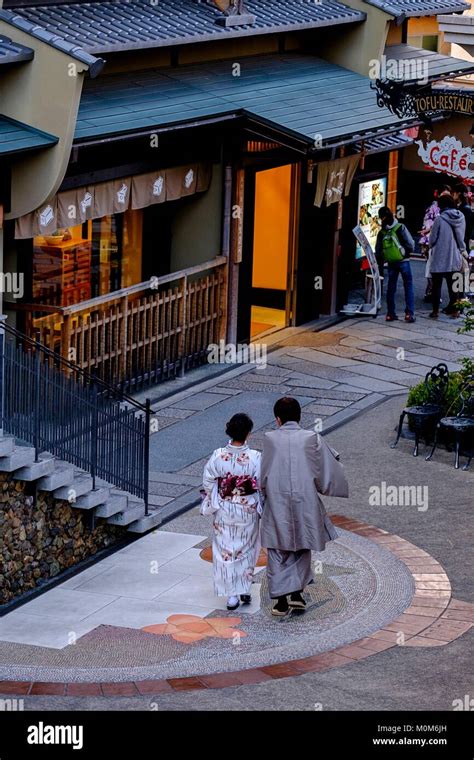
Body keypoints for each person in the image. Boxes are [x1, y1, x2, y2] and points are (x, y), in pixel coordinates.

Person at [260, 397, 349, 617]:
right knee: (301, 545)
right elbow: (327, 467)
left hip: (278, 499)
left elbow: (263, 473)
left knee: (277, 548)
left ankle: (281, 600)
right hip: (304, 499)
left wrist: (262, 494)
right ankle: (297, 595)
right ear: (299, 417)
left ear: (277, 419)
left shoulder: (270, 439)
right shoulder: (311, 438)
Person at [201, 413, 262, 611]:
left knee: (225, 551)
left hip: (225, 508)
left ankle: (232, 595)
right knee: (246, 548)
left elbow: (208, 480)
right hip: (247, 509)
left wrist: (216, 496)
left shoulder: (219, 455)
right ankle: (244, 587)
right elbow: (261, 484)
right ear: (248, 434)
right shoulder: (255, 458)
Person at [375, 206, 416, 323]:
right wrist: (406, 252)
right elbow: (411, 244)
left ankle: (390, 314)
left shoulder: (382, 232)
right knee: (408, 286)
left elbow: (378, 251)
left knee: (391, 288)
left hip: (391, 263)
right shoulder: (400, 227)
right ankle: (409, 314)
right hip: (403, 261)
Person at [429, 194, 466, 319]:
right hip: (454, 255)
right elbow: (461, 238)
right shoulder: (461, 217)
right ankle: (455, 311)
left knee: (436, 285)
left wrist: (430, 246)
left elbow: (432, 239)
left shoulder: (439, 219)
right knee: (453, 286)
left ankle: (435, 311)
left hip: (440, 255)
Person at [419, 186, 451, 302]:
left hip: (440, 241)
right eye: (444, 194)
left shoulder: (447, 209)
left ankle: (431, 291)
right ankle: (431, 292)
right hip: (430, 241)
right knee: (431, 268)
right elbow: (428, 225)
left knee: (435, 269)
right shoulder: (433, 208)